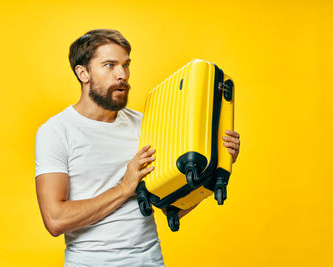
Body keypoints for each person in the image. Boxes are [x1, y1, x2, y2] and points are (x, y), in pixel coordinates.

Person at [34, 29, 241, 267]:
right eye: (110, 65)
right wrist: (124, 188)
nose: (122, 74)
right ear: (83, 73)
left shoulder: (145, 124)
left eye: (126, 65)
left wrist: (215, 166)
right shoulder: (56, 131)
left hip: (149, 261)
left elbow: (173, 207)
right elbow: (55, 220)